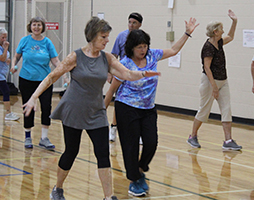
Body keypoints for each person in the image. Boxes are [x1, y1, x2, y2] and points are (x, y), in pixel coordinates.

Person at [22, 16, 160, 200]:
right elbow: (52, 77)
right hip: (74, 110)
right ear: (93, 36)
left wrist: (142, 73)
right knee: (71, 152)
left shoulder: (107, 58)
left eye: (107, 36)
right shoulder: (75, 56)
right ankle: (58, 188)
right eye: (104, 36)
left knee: (103, 153)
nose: (107, 40)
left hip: (96, 112)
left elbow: (126, 73)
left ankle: (108, 196)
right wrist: (33, 97)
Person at [104, 18, 199, 197]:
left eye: (145, 46)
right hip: (127, 107)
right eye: (139, 47)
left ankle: (139, 170)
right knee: (130, 146)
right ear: (131, 47)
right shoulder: (124, 64)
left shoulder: (153, 55)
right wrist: (102, 111)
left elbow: (174, 50)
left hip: (148, 109)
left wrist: (187, 33)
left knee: (151, 142)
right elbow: (112, 90)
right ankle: (133, 181)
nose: (143, 50)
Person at [187, 10, 242, 151]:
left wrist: (234, 22)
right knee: (204, 110)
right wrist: (214, 87)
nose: (223, 31)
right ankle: (192, 136)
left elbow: (231, 36)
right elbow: (207, 67)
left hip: (223, 81)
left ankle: (228, 140)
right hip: (209, 82)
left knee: (226, 109)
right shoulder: (208, 47)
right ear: (216, 31)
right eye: (221, 29)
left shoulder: (220, 42)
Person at [10, 17, 61, 150]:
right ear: (30, 26)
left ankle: (44, 138)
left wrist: (63, 71)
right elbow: (16, 56)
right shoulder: (25, 41)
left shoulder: (47, 42)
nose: (36, 27)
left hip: (44, 81)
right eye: (34, 25)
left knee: (46, 107)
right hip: (26, 80)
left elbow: (55, 60)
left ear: (42, 27)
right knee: (28, 108)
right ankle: (28, 136)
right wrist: (13, 65)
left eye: (39, 25)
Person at [109, 12, 143, 142]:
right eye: (129, 22)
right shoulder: (121, 36)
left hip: (137, 75)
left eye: (134, 23)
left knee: (138, 103)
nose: (131, 25)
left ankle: (138, 133)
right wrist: (110, 73)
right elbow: (114, 56)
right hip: (122, 74)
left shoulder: (142, 38)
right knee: (120, 101)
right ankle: (113, 128)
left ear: (139, 24)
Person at [0, 28, 20, 121]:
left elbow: (5, 59)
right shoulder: (3, 48)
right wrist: (6, 49)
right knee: (6, 91)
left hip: (3, 74)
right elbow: (2, 58)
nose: (5, 40)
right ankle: (8, 113)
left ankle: (8, 113)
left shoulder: (2, 48)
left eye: (5, 37)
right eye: (2, 37)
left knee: (6, 91)